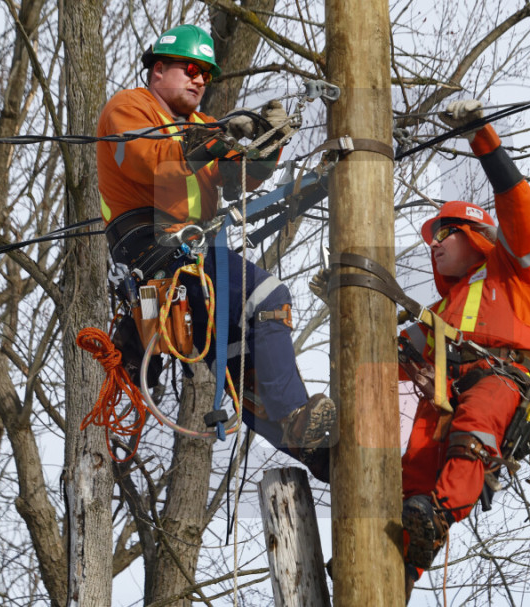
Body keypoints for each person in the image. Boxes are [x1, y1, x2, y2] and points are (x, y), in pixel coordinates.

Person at [96, 24, 335, 481]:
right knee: (267, 297)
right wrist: (218, 137)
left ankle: (318, 455)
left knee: (241, 366)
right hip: (157, 251)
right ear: (158, 69)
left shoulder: (202, 126)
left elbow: (239, 179)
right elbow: (153, 160)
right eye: (190, 68)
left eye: (206, 74)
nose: (199, 79)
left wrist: (268, 144)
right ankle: (295, 414)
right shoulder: (129, 108)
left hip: (190, 256)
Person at [399, 99, 530, 599]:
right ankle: (399, 558)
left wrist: (480, 135)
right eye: (433, 237)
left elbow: (518, 205)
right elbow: (394, 355)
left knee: (473, 429)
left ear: (475, 236)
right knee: (416, 462)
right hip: (444, 393)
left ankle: (439, 514)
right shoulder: (441, 310)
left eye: (445, 233)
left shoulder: (515, 272)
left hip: (499, 381)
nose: (434, 244)